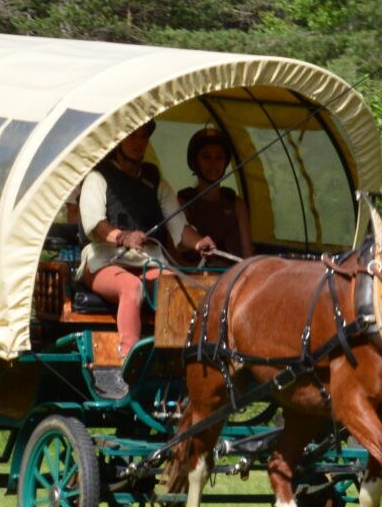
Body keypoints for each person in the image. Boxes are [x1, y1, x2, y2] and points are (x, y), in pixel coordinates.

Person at [77, 120, 215, 390]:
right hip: (104, 260)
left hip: (146, 261)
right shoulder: (97, 177)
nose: (138, 142)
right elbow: (94, 223)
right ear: (117, 140)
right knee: (132, 287)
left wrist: (198, 243)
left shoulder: (156, 183)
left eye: (143, 137)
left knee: (178, 289)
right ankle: (128, 364)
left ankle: (184, 364)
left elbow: (180, 229)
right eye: (131, 136)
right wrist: (123, 237)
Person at [177, 127, 253, 260]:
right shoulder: (183, 202)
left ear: (225, 162)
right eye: (206, 157)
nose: (213, 164)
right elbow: (174, 256)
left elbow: (248, 258)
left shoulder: (237, 205)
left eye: (219, 157)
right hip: (192, 276)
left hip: (232, 277)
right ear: (196, 161)